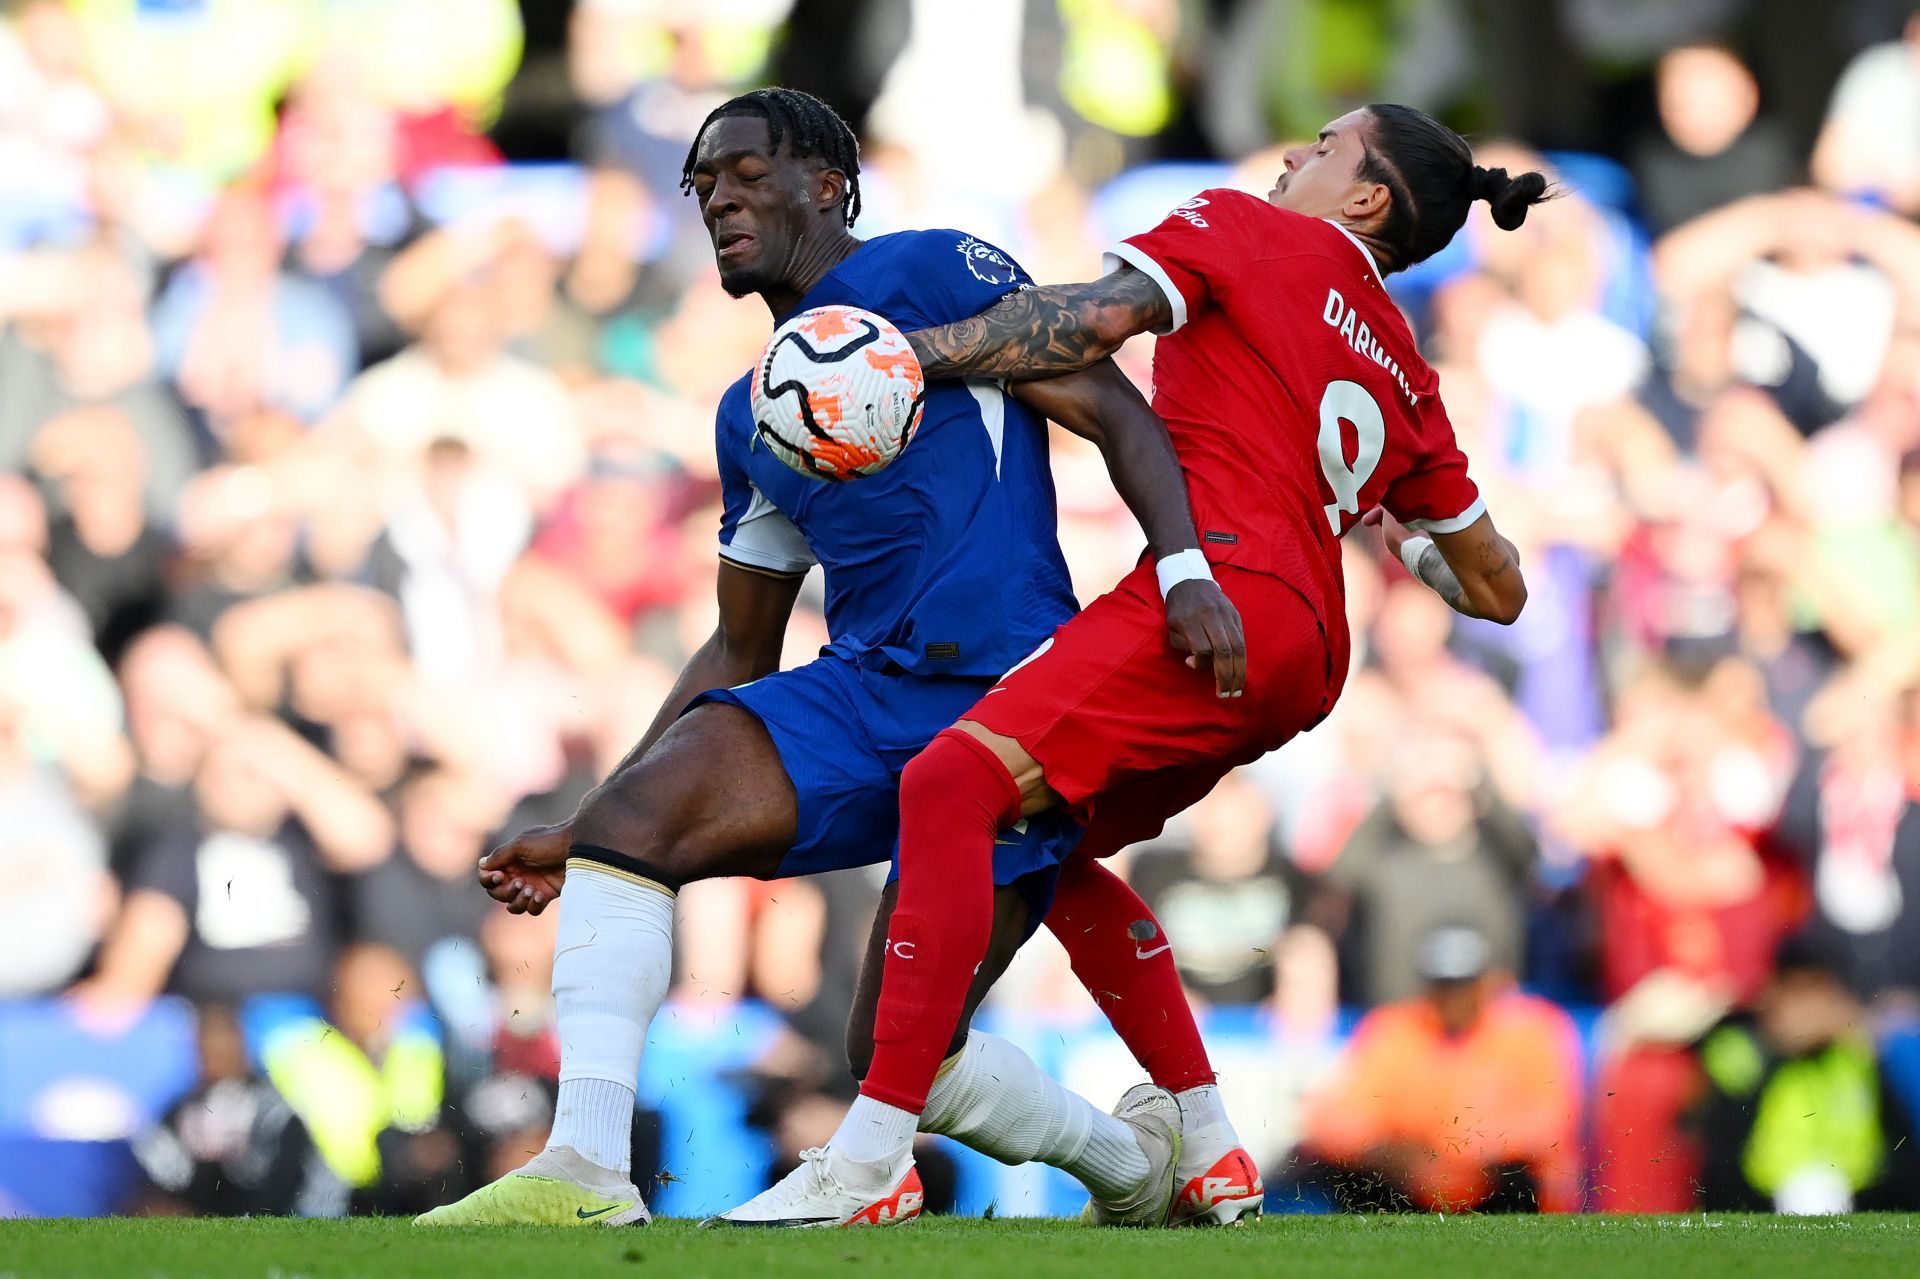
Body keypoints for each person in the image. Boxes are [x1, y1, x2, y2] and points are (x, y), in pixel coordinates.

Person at [418, 87, 1253, 1230]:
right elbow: (740, 644)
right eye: (701, 183)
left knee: (898, 1055)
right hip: (868, 689)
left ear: (827, 182)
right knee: (633, 825)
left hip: (1016, 699)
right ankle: (586, 1172)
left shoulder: (933, 270)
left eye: (746, 172)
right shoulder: (746, 410)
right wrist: (587, 812)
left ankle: (1133, 1169)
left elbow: (1117, 412)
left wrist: (1183, 569)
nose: (718, 197)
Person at [759, 103, 1537, 1227]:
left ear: (1367, 198)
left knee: (948, 783)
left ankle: (872, 1152)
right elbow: (1497, 588)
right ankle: (1209, 1142)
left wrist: (907, 359)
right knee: (1043, 840)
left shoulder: (1240, 224)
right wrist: (1398, 531)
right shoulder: (1408, 369)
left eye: (1324, 149)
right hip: (1312, 651)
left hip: (1211, 596)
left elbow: (1091, 320)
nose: (1291, 156)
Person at [1289, 927, 1583, 1213]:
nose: (1454, 997)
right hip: (1412, 1185)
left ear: (1489, 982)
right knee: (1347, 1172)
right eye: (1444, 985)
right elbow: (1338, 1120)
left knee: (1518, 1175)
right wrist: (1386, 1148)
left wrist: (1457, 1149)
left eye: (1464, 984)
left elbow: (1552, 1123)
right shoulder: (1396, 1029)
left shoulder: (1531, 1029)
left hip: (1499, 1184)